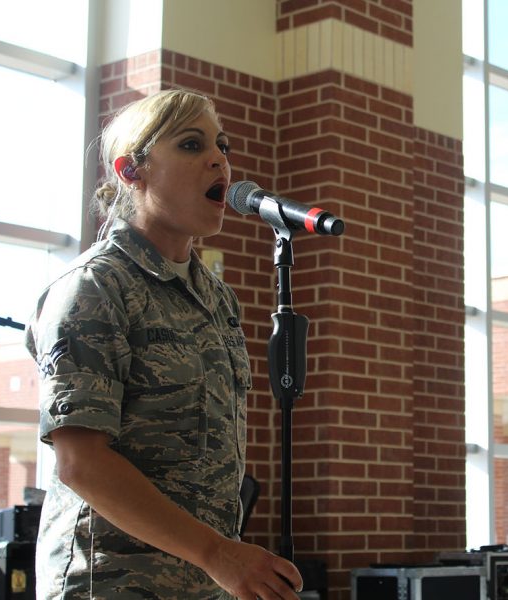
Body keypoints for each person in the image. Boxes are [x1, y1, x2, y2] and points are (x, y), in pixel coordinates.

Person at [25, 89, 303, 599]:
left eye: (222, 144)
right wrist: (219, 553)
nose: (219, 158)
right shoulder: (95, 288)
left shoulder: (218, 299)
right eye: (192, 145)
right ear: (132, 171)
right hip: (111, 585)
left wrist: (223, 561)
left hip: (204, 586)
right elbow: (81, 462)